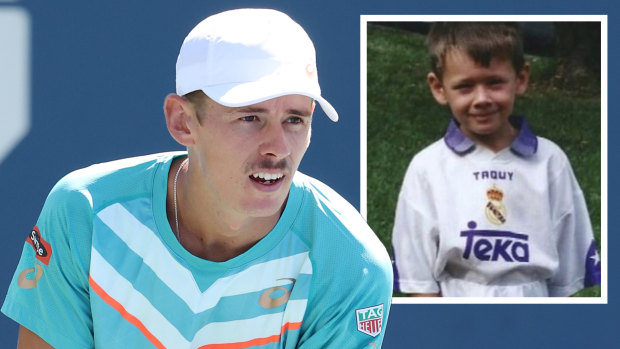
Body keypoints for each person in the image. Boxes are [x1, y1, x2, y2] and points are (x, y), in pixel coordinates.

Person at [2, 8, 393, 348]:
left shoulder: (351, 264)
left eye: (295, 119)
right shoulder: (84, 211)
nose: (279, 147)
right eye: (250, 118)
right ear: (182, 121)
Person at [391, 22, 601, 297]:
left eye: (494, 83)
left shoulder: (551, 162)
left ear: (521, 78)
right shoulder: (427, 167)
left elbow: (565, 276)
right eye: (465, 87)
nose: (482, 99)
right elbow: (418, 278)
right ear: (439, 87)